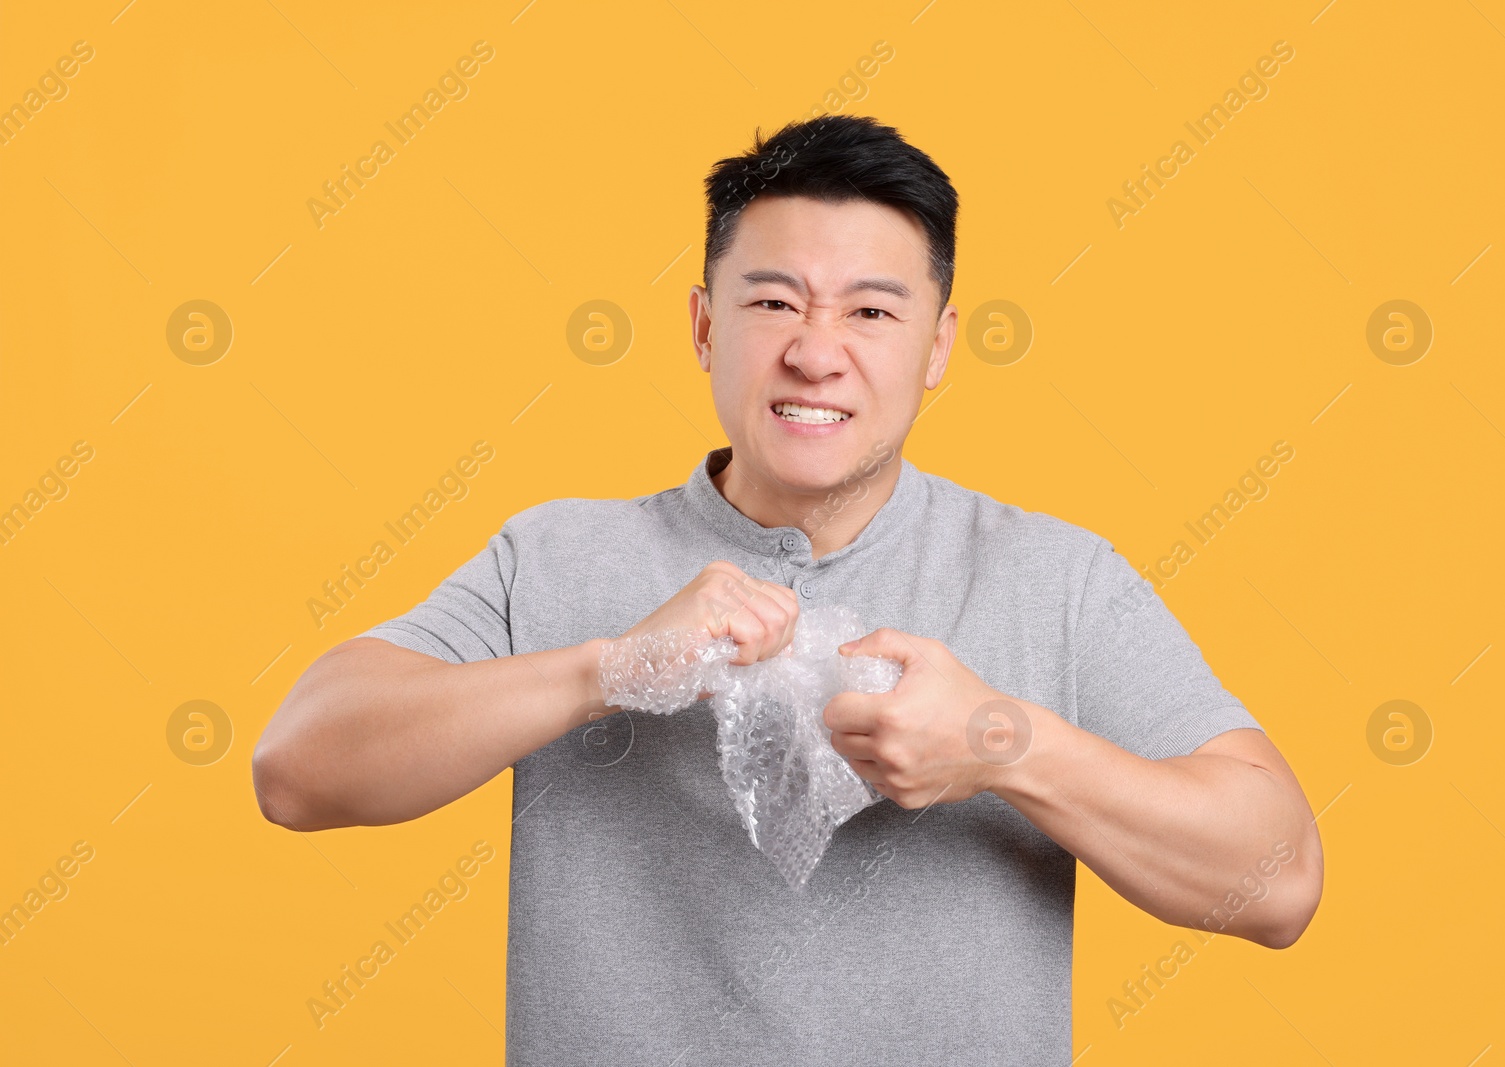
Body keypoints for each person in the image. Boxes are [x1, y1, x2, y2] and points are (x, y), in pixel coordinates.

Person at [253, 114, 1323, 1065]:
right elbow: (297, 768)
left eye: (870, 312)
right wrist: (607, 669)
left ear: (939, 344)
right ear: (704, 326)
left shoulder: (1058, 577)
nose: (816, 353)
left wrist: (1003, 743)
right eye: (773, 301)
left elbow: (1276, 880)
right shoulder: (557, 557)